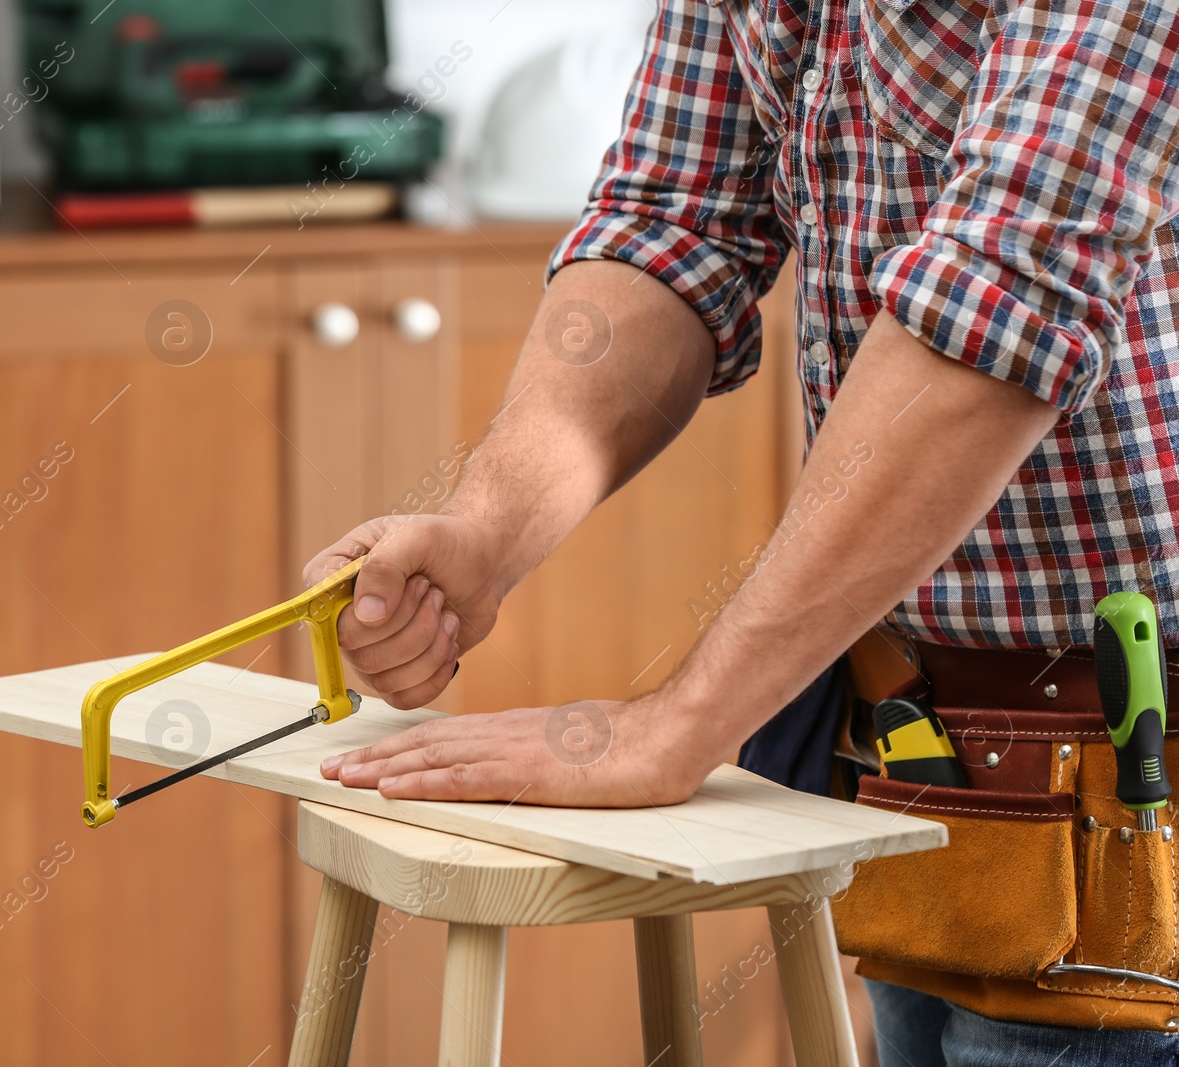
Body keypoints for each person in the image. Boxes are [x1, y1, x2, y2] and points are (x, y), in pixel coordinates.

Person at [302, 0, 1179, 1062]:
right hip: (930, 778)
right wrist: (486, 525)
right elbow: (673, 223)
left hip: (1127, 805)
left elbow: (997, 304)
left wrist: (679, 723)